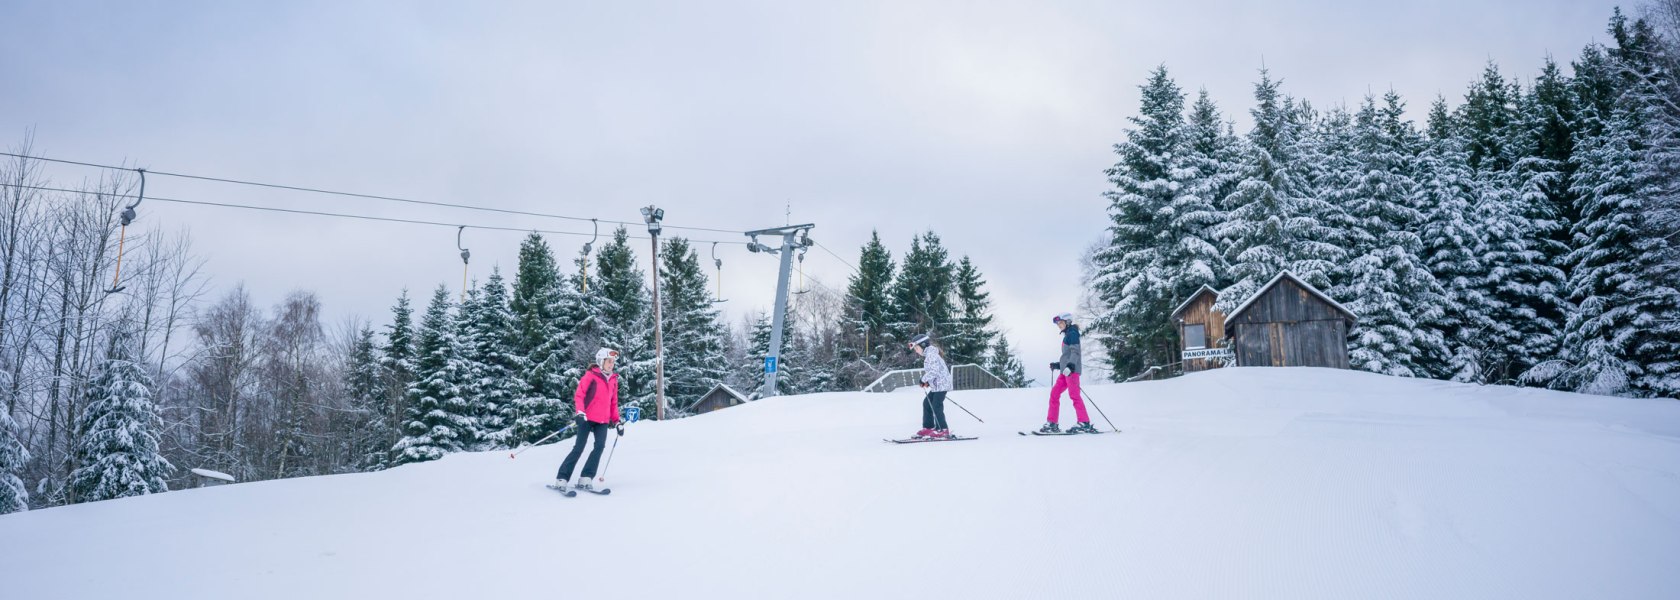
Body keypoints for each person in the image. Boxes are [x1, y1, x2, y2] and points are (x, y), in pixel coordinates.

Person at [555, 348, 624, 492]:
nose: (611, 364)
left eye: (613, 362)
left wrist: (617, 421)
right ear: (601, 361)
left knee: (599, 447)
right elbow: (579, 395)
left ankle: (586, 477)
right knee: (579, 448)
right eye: (609, 361)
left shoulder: (613, 379)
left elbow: (613, 403)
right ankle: (562, 478)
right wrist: (580, 413)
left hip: (603, 421)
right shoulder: (590, 376)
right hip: (586, 418)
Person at [1041, 313, 1096, 434]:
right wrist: (1058, 365)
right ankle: (1052, 423)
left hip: (1072, 372)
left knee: (1074, 395)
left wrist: (1071, 365)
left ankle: (1084, 422)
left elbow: (1075, 352)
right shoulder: (1067, 335)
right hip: (1065, 371)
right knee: (1054, 393)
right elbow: (1066, 356)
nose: (1059, 325)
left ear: (1068, 322)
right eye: (1058, 324)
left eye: (1061, 323)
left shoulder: (1073, 333)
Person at [909, 333, 954, 439]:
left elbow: (934, 371)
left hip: (942, 385)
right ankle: (928, 428)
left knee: (936, 406)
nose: (916, 350)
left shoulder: (931, 354)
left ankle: (942, 430)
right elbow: (935, 372)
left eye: (916, 347)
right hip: (937, 385)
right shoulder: (929, 354)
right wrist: (928, 382)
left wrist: (923, 379)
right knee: (927, 403)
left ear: (923, 345)